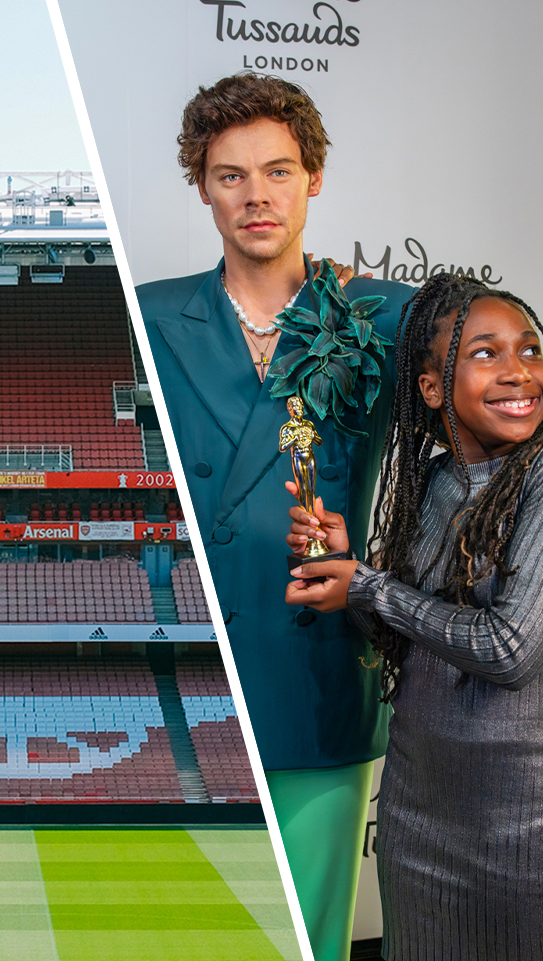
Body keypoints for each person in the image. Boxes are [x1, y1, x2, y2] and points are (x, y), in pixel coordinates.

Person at [135, 72, 408, 961]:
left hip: (315, 664)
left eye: (278, 171)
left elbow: (507, 381)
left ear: (313, 179)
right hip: (183, 666)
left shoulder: (383, 315)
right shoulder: (149, 311)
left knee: (307, 938)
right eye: (230, 176)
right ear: (203, 188)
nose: (257, 195)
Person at [287, 273, 543, 960]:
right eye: (486, 354)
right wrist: (344, 567)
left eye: (529, 350)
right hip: (416, 812)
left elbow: (510, 652)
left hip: (524, 824)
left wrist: (369, 586)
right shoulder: (427, 482)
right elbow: (401, 636)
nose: (519, 372)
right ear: (431, 388)